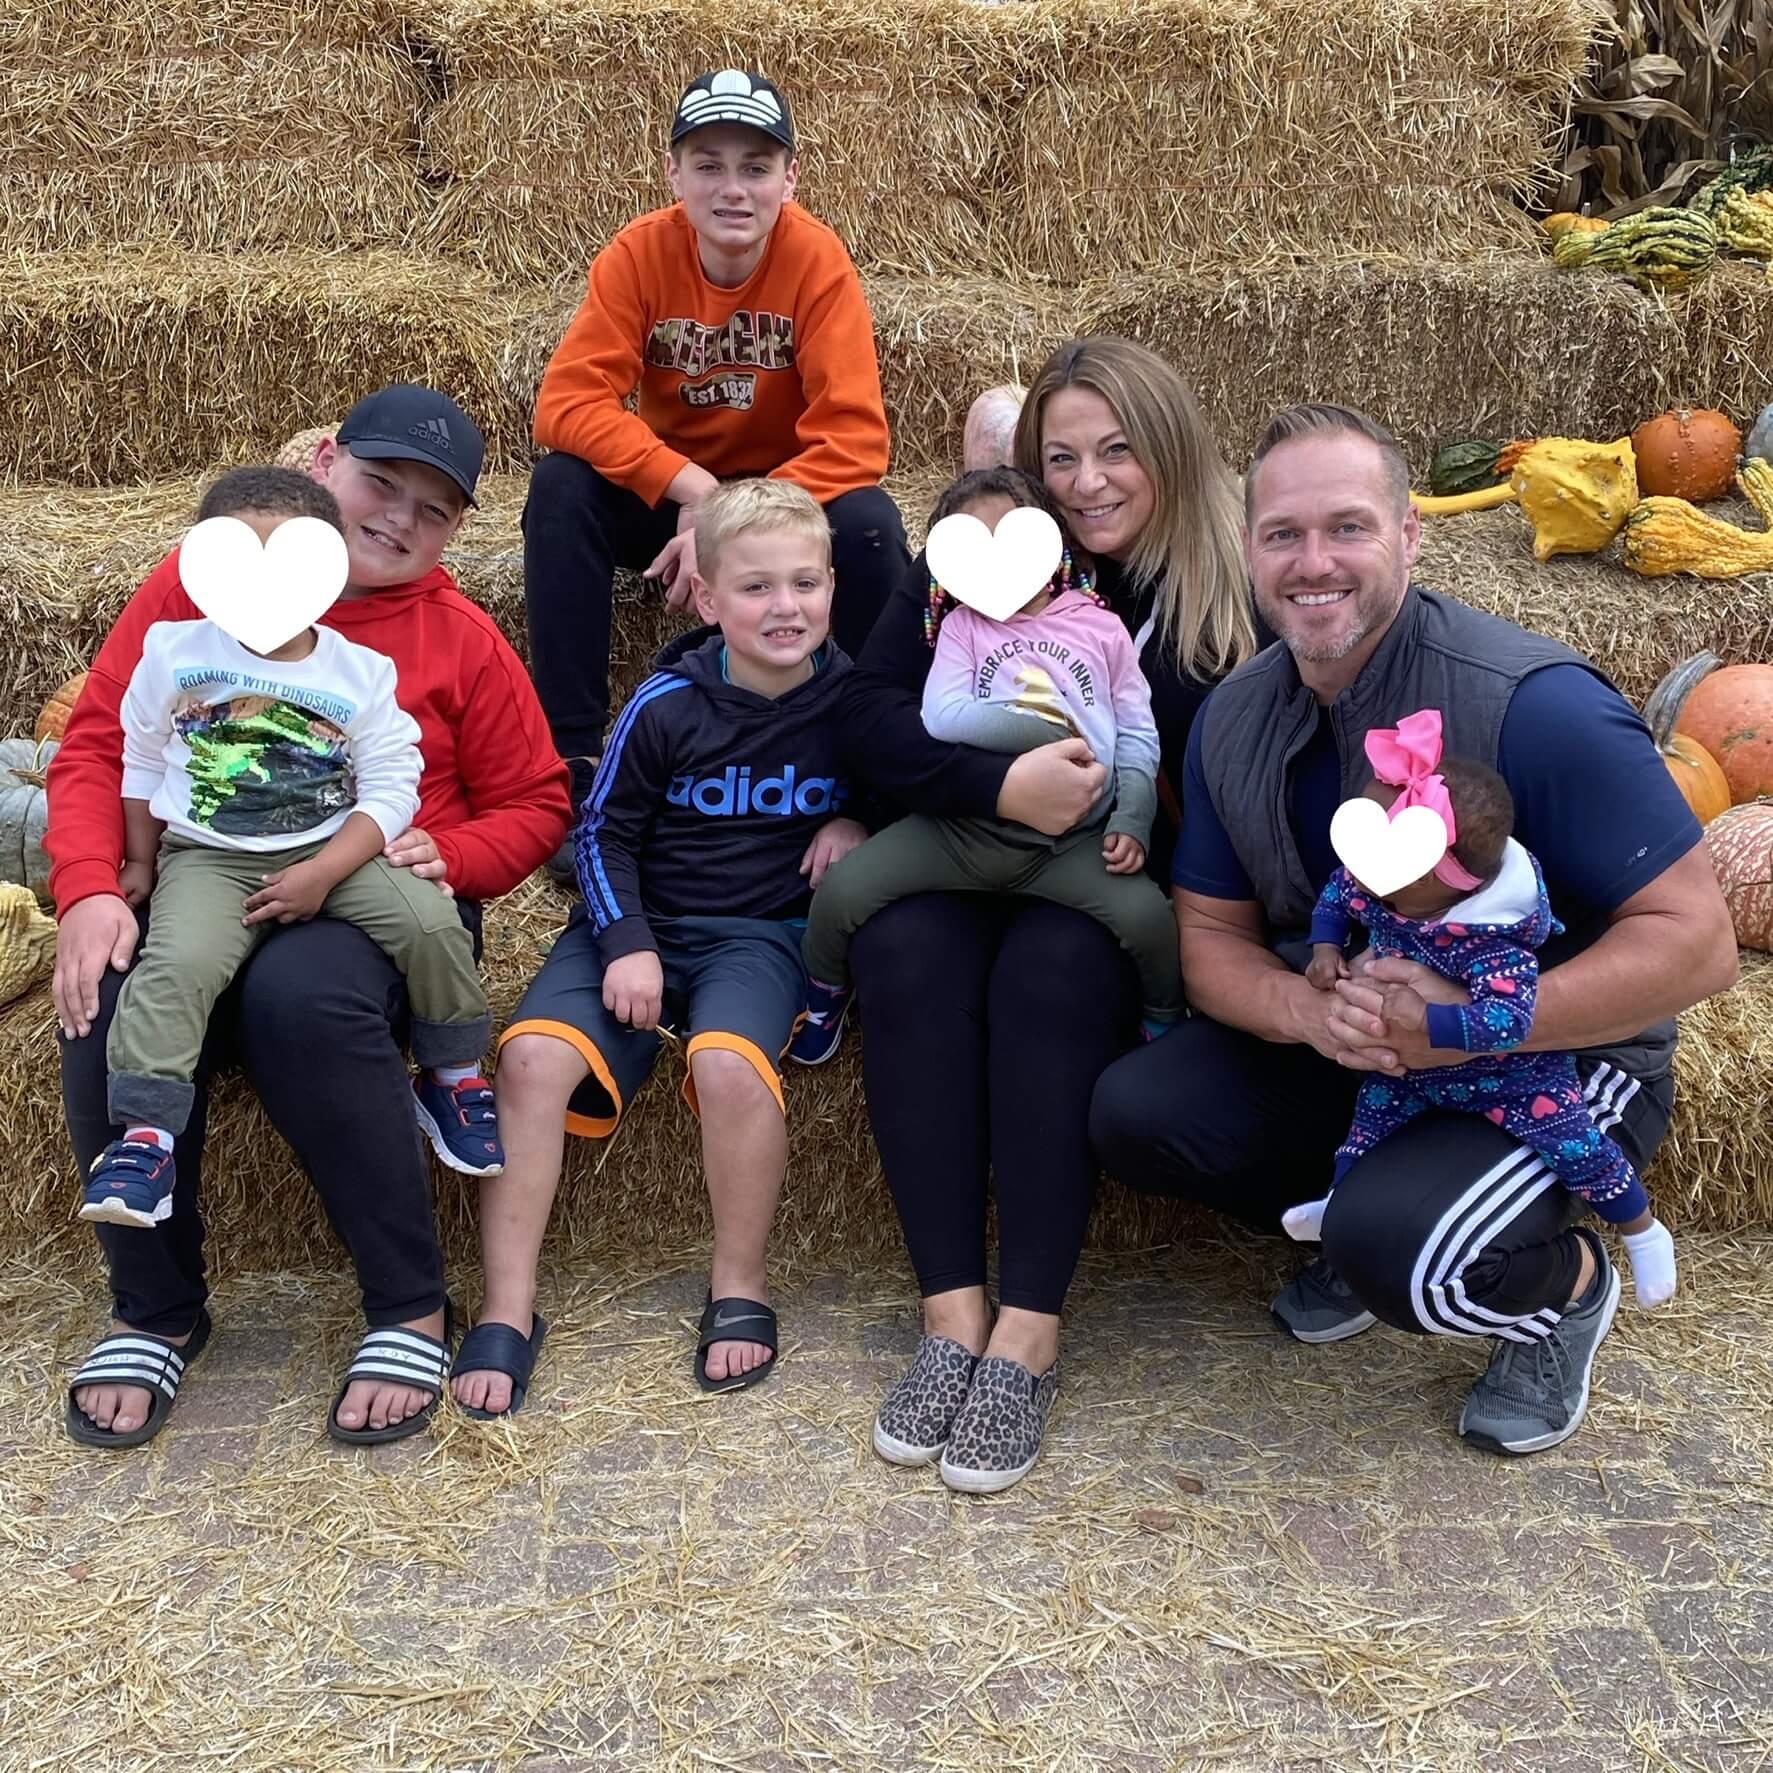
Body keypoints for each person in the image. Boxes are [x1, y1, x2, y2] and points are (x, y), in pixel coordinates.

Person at [1090, 402, 1736, 1457]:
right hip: (1374, 1054)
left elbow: (1699, 944)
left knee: (1412, 1259)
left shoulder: (1531, 702)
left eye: (1347, 527)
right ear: (1247, 550)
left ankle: (1564, 1287)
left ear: (1408, 534)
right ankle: (1369, 1217)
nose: (1313, 562)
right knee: (1136, 1113)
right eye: (1283, 534)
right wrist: (1305, 1010)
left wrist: (1472, 1026)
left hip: (1558, 1059)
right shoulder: (1232, 717)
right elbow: (1206, 935)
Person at [52, 386, 571, 1450]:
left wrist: (456, 854)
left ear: (457, 530)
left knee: (303, 999)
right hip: (201, 868)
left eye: (433, 509)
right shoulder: (194, 590)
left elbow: (537, 800)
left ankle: (408, 1304)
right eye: (381, 483)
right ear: (325, 462)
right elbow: (105, 742)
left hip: (372, 894)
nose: (399, 518)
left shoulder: (457, 636)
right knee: (102, 990)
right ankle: (154, 1310)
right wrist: (93, 885)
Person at [837, 337, 1258, 1494]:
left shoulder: (1223, 595)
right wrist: (993, 784)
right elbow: (866, 713)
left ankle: (1028, 1330)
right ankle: (949, 1316)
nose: (1087, 482)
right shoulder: (972, 559)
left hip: (1111, 872)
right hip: (966, 843)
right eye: (1060, 457)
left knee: (1052, 973)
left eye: (1118, 451)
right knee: (904, 950)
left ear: (1170, 449)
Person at [454, 479, 864, 1416]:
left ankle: (739, 1281)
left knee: (727, 1066)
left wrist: (858, 818)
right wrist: (627, 940)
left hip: (757, 937)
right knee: (529, 1059)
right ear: (707, 599)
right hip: (637, 922)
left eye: (804, 583)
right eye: (756, 587)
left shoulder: (852, 702)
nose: (785, 606)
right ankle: (507, 1304)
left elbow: (910, 785)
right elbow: (600, 832)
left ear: (833, 587)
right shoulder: (665, 702)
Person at [81, 466, 504, 1236]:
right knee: (175, 964)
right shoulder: (172, 652)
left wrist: (323, 872)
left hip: (334, 847)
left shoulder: (358, 673)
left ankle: (453, 1074)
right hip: (208, 854)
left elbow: (392, 787)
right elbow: (137, 757)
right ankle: (145, 1139)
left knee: (432, 924)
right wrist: (139, 861)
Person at [523, 66, 909, 871]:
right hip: (675, 495)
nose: (732, 188)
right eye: (709, 165)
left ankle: (877, 763)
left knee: (870, 524)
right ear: (673, 174)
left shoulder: (817, 261)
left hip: (789, 494)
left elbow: (855, 437)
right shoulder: (639, 254)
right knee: (560, 488)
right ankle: (571, 763)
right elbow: (564, 404)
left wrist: (739, 518)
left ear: (789, 179)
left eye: (755, 167)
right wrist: (691, 488)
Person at [1283, 711, 1677, 1307]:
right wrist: (1325, 947)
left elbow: (1509, 1021)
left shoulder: (1494, 943)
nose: (1362, 875)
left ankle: (1641, 1231)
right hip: (1416, 1075)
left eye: (1381, 863)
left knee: (1576, 1146)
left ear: (1441, 881)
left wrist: (1426, 1021)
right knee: (1368, 1122)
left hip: (1514, 1081)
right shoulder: (1376, 883)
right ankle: (1336, 1204)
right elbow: (1337, 895)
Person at [795, 466, 1179, 1064]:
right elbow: (943, 715)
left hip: (1069, 843)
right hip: (962, 834)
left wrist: (1133, 813)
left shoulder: (1103, 629)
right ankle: (822, 995)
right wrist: (1044, 734)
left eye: (1015, 540)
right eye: (978, 551)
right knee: (843, 890)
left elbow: (1135, 730)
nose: (1000, 565)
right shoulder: (960, 628)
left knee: (1150, 919)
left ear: (1052, 542)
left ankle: (1164, 1019)